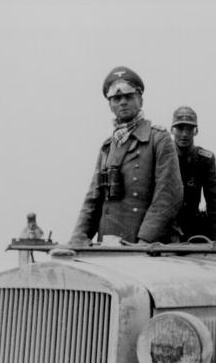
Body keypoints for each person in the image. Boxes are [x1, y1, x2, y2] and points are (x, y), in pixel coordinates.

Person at [70, 66, 183, 244]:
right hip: (109, 243)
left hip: (148, 246)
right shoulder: (108, 147)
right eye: (116, 98)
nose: (123, 102)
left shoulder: (159, 139)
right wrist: (77, 239)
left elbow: (168, 196)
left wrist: (144, 241)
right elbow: (93, 199)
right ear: (110, 105)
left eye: (129, 96)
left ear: (141, 100)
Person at [170, 106, 216, 241]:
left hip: (193, 228)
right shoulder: (163, 156)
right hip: (164, 227)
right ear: (172, 130)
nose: (184, 134)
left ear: (195, 131)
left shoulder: (204, 159)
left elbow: (214, 202)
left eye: (189, 129)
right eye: (180, 128)